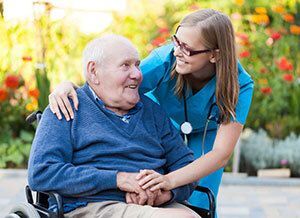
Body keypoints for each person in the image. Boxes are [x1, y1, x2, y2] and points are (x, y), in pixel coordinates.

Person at [48, 9, 254, 215]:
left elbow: (220, 154)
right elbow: (108, 87)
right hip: (163, 124)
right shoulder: (164, 61)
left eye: (187, 49)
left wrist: (169, 182)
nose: (177, 52)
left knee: (200, 202)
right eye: (176, 41)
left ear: (214, 54)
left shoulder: (239, 85)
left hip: (207, 133)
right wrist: (68, 86)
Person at [28, 34, 200, 218]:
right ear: (93, 71)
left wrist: (166, 193)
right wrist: (118, 179)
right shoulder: (66, 108)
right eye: (126, 65)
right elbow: (42, 172)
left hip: (155, 205)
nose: (137, 74)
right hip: (93, 205)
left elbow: (187, 166)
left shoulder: (153, 112)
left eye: (137, 65)